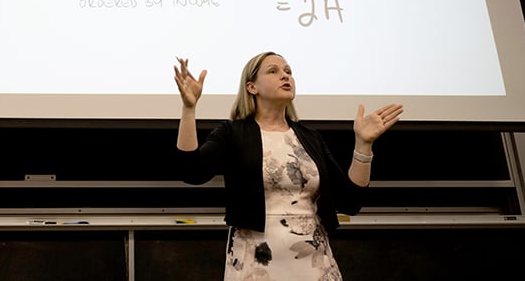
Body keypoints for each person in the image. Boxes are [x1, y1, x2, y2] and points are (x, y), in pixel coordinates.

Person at [173, 52, 403, 280]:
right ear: (252, 87)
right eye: (273, 71)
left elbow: (350, 201)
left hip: (314, 262)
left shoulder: (309, 137)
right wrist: (189, 109)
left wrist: (364, 145)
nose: (285, 76)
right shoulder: (233, 133)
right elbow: (192, 171)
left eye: (288, 72)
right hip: (257, 262)